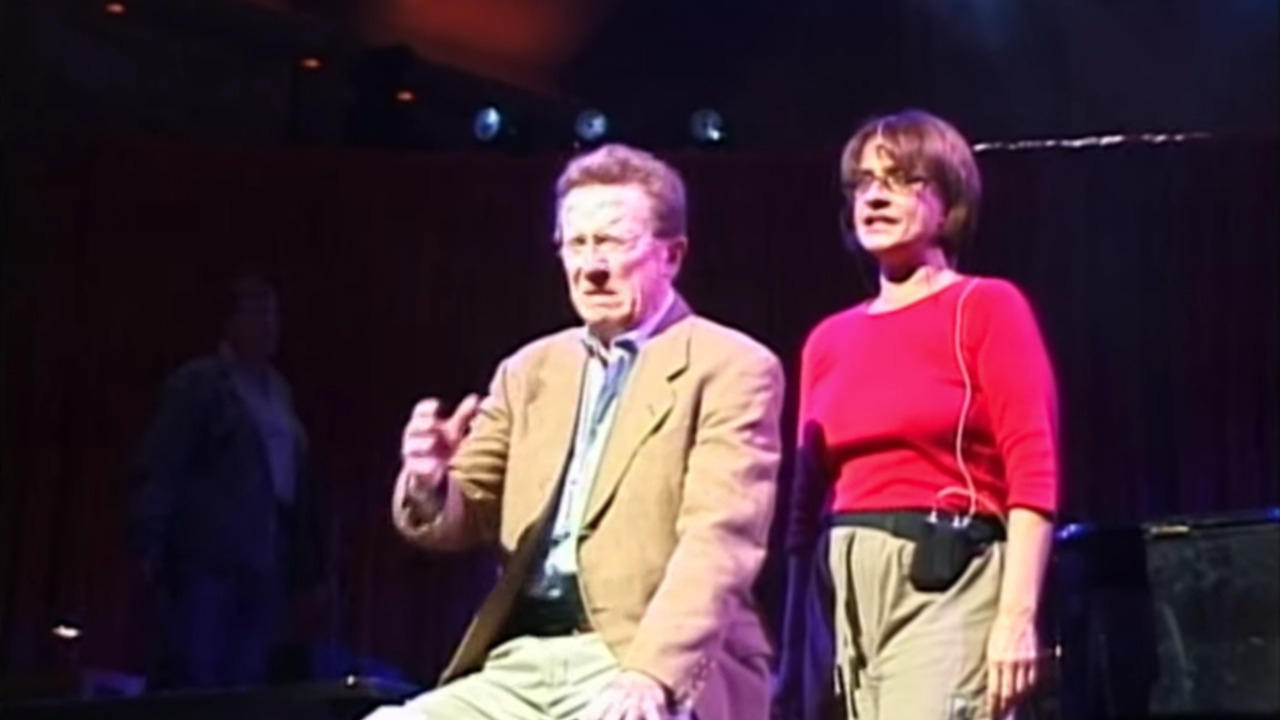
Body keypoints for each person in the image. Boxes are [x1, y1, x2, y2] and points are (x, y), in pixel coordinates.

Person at [367, 143, 784, 720]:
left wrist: (651, 674)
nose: (591, 266)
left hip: (643, 652)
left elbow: (720, 542)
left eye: (613, 242)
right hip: (522, 660)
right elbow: (467, 516)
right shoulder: (530, 370)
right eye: (577, 244)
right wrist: (430, 484)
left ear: (672, 255)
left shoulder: (731, 366)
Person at [795, 110, 1058, 720]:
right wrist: (797, 647)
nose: (876, 195)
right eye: (863, 183)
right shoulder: (828, 339)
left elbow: (1033, 473)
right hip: (845, 597)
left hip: (944, 578)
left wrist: (1016, 619)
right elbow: (801, 513)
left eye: (905, 179)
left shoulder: (986, 306)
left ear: (948, 203)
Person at [130, 275, 327, 689]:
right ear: (231, 321)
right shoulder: (200, 382)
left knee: (247, 676)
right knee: (199, 673)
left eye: (272, 314)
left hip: (267, 557)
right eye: (256, 313)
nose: (268, 325)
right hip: (210, 557)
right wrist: (150, 542)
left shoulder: (279, 391)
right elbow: (165, 463)